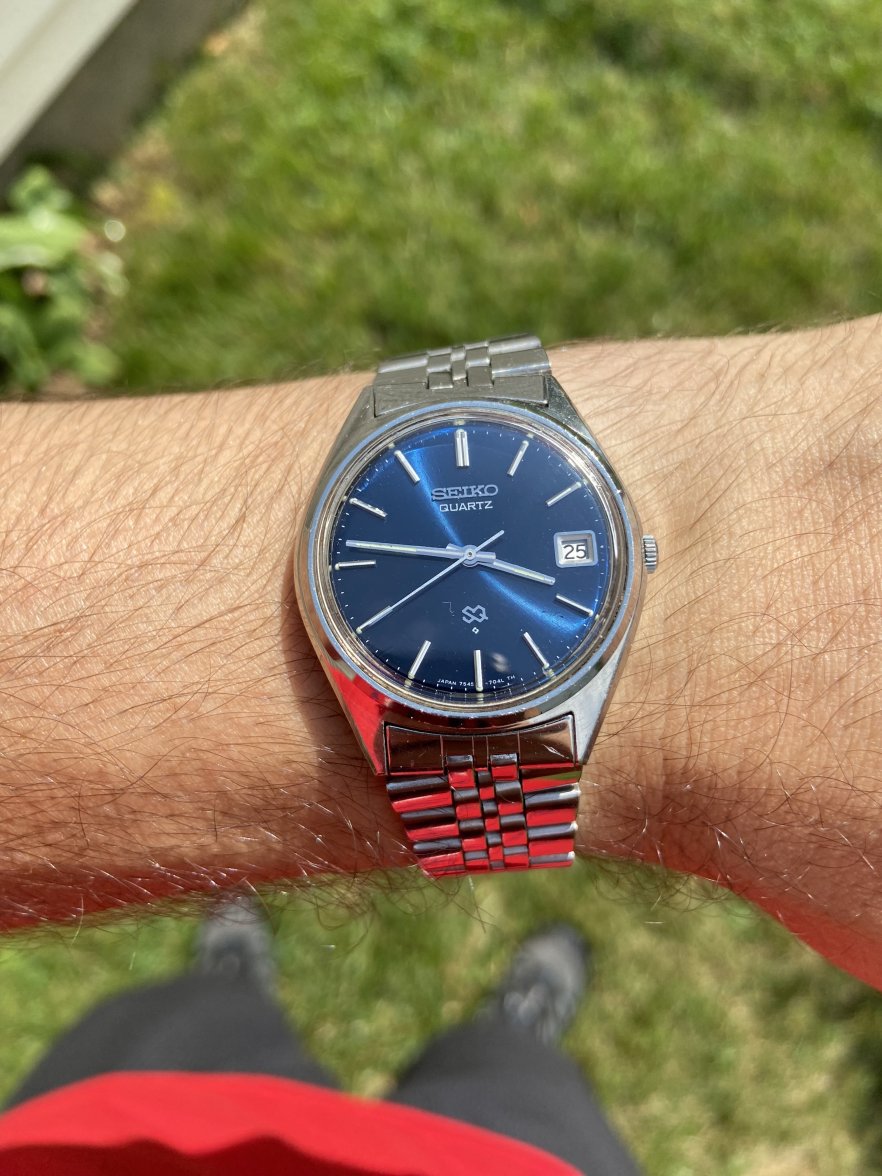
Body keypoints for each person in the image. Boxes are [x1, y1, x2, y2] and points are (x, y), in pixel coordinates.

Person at [0, 318, 878, 1170]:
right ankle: (508, 1036)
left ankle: (225, 989)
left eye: (475, 550)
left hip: (124, 1132)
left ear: (637, 555)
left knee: (176, 1036)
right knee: (517, 1093)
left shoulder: (580, 540)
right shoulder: (360, 573)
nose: (464, 558)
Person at [1, 902, 642, 1174]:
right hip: (498, 1160)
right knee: (520, 1080)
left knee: (190, 1024)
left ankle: (229, 985)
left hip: (150, 1145)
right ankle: (510, 1033)